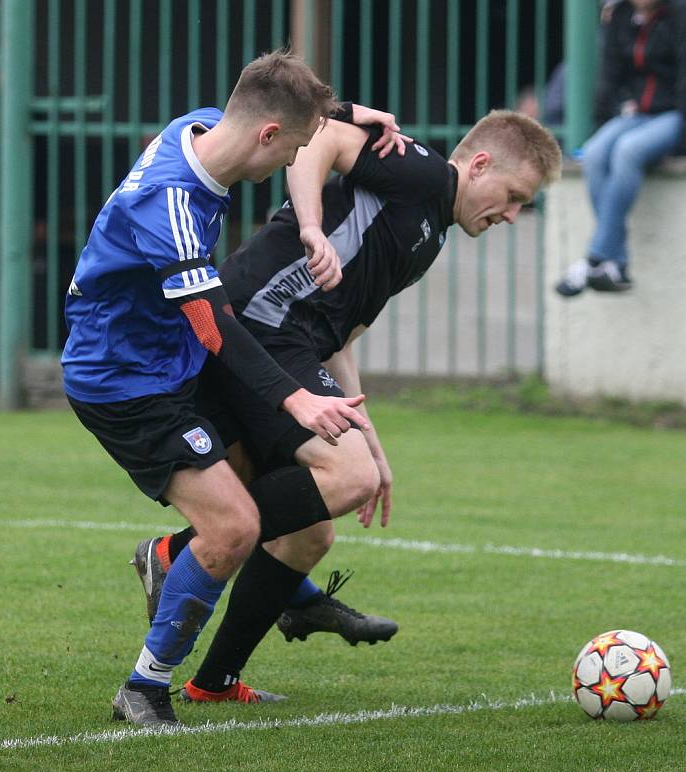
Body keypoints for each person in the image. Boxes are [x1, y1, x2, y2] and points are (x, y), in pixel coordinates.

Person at [130, 109, 562, 706]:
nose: (512, 215)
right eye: (514, 197)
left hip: (294, 342)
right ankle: (174, 552)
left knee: (310, 534)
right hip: (259, 325)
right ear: (480, 164)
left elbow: (343, 338)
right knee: (345, 475)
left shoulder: (429, 230)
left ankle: (215, 682)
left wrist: (372, 441)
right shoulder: (428, 175)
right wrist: (310, 227)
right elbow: (322, 138)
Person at [62, 49, 406, 728]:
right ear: (268, 138)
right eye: (291, 153)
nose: (289, 168)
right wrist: (296, 398)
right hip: (125, 382)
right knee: (236, 525)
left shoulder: (198, 128)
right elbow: (216, 323)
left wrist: (353, 114)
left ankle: (182, 563)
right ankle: (145, 686)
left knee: (290, 512)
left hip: (173, 364)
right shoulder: (170, 205)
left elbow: (270, 100)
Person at [555, 0, 686, 297]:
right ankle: (615, 263)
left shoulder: (683, 13)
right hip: (639, 114)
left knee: (628, 151)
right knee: (595, 153)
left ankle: (595, 258)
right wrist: (604, 118)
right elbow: (610, 71)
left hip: (679, 115)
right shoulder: (621, 15)